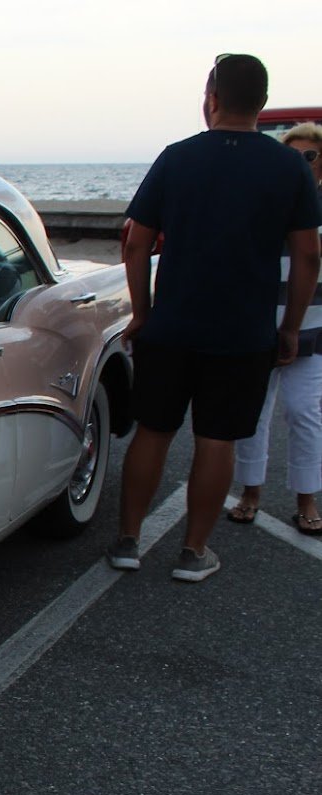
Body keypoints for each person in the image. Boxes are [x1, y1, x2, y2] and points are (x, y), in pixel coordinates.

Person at [110, 54, 322, 581]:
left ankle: (128, 541)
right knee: (217, 439)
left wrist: (142, 312)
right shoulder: (289, 166)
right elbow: (308, 257)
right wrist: (290, 326)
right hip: (245, 332)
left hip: (173, 325)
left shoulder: (177, 158)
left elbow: (136, 243)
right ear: (263, 105)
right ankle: (193, 552)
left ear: (211, 99)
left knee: (153, 432)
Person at [227, 123, 322, 535]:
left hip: (314, 331)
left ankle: (307, 499)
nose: (302, 164)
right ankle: (251, 493)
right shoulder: (264, 205)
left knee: (306, 413)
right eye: (294, 156)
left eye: (310, 157)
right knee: (254, 413)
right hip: (262, 328)